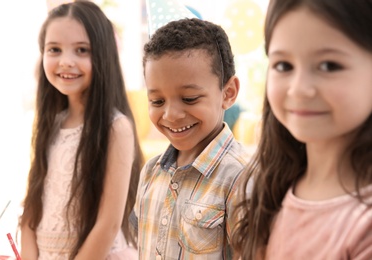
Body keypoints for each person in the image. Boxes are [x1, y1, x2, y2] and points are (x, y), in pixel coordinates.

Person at [232, 0, 372, 259]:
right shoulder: (274, 186)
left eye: (329, 65)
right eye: (284, 65)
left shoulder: (364, 224)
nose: (298, 89)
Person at [19, 1, 144, 259]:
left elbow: (108, 225)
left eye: (81, 50)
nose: (66, 61)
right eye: (54, 49)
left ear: (103, 55)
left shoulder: (116, 128)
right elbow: (31, 211)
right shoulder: (49, 124)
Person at [131, 18, 247, 259]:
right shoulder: (151, 172)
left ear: (228, 93)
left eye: (190, 98)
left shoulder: (241, 178)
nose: (171, 114)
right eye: (157, 101)